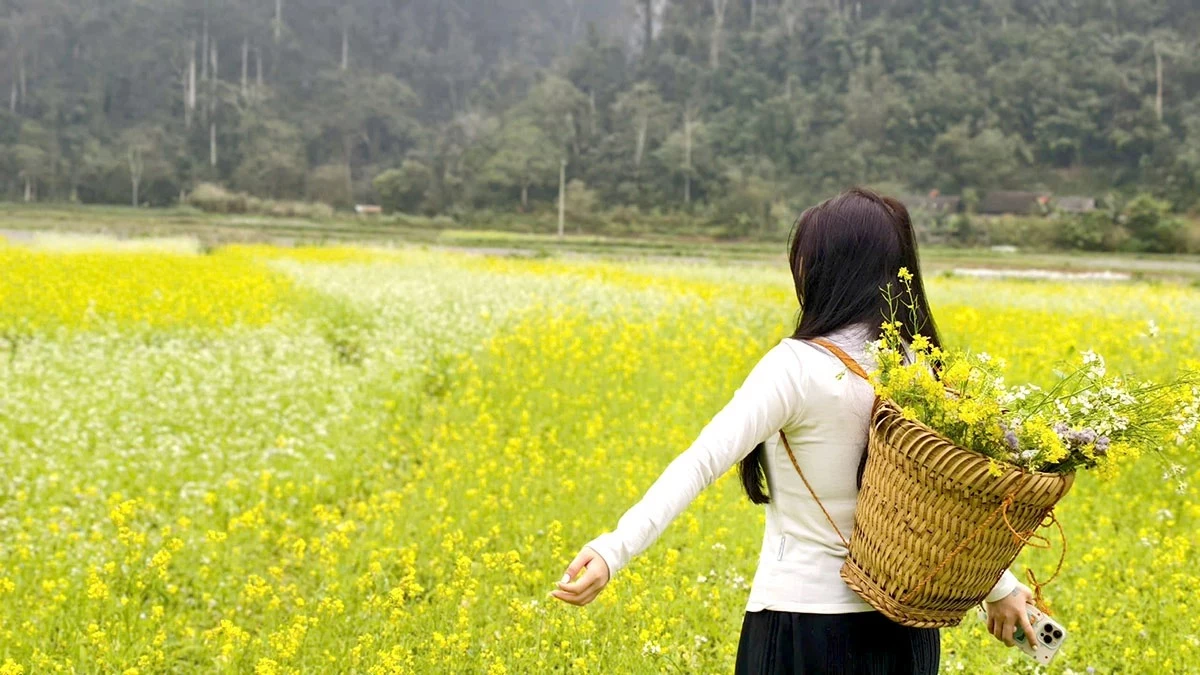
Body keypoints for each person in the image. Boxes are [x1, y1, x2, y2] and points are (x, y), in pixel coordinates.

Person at [550, 188, 1037, 674]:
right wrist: (1002, 586)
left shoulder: (797, 367)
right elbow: (947, 506)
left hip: (805, 627)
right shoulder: (921, 368)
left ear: (828, 269)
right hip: (906, 636)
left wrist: (612, 550)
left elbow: (701, 462)